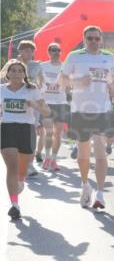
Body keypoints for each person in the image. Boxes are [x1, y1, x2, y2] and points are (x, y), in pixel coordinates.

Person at [60, 26, 114, 210]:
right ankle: (85, 185)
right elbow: (62, 80)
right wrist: (78, 82)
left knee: (100, 151)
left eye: (96, 38)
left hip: (102, 111)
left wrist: (113, 88)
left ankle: (100, 193)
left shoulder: (108, 57)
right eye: (90, 38)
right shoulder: (74, 56)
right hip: (80, 111)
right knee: (83, 154)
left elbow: (112, 81)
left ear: (101, 40)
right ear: (84, 39)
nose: (93, 41)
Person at [2, 59, 50, 220]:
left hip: (27, 129)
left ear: (24, 74)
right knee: (12, 166)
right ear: (7, 73)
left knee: (22, 168)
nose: (16, 73)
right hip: (7, 128)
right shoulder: (1, 90)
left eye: (19, 71)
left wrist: (34, 105)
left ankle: (21, 181)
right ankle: (14, 205)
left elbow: (47, 112)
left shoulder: (32, 89)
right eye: (13, 70)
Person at [38, 43, 69, 172]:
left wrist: (65, 80)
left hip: (61, 103)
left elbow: (69, 84)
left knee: (58, 134)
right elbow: (37, 82)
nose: (56, 52)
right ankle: (47, 157)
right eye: (53, 50)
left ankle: (54, 159)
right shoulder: (42, 66)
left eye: (58, 50)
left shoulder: (65, 67)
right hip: (46, 103)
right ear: (48, 52)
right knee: (49, 132)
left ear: (60, 52)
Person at [17, 41, 43, 177]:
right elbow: (4, 79)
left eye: (29, 50)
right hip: (15, 102)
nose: (27, 53)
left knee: (31, 133)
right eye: (24, 50)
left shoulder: (37, 65)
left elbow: (38, 80)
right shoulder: (12, 64)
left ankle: (30, 164)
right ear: (20, 51)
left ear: (33, 52)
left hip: (32, 103)